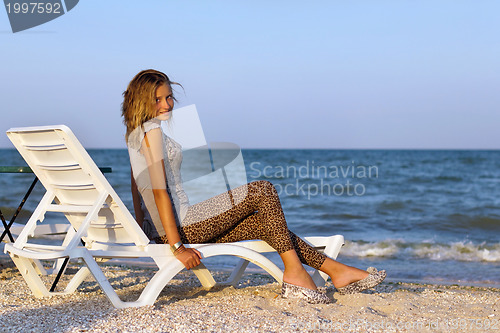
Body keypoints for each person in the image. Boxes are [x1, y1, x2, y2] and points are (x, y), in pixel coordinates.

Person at [122, 69, 386, 304]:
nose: (166, 104)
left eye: (169, 97)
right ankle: (294, 273)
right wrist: (178, 247)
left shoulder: (133, 135)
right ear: (142, 101)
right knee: (263, 190)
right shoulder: (152, 132)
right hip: (182, 226)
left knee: (263, 224)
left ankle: (336, 271)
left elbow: (136, 188)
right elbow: (158, 193)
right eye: (158, 99)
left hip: (166, 230)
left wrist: (143, 227)